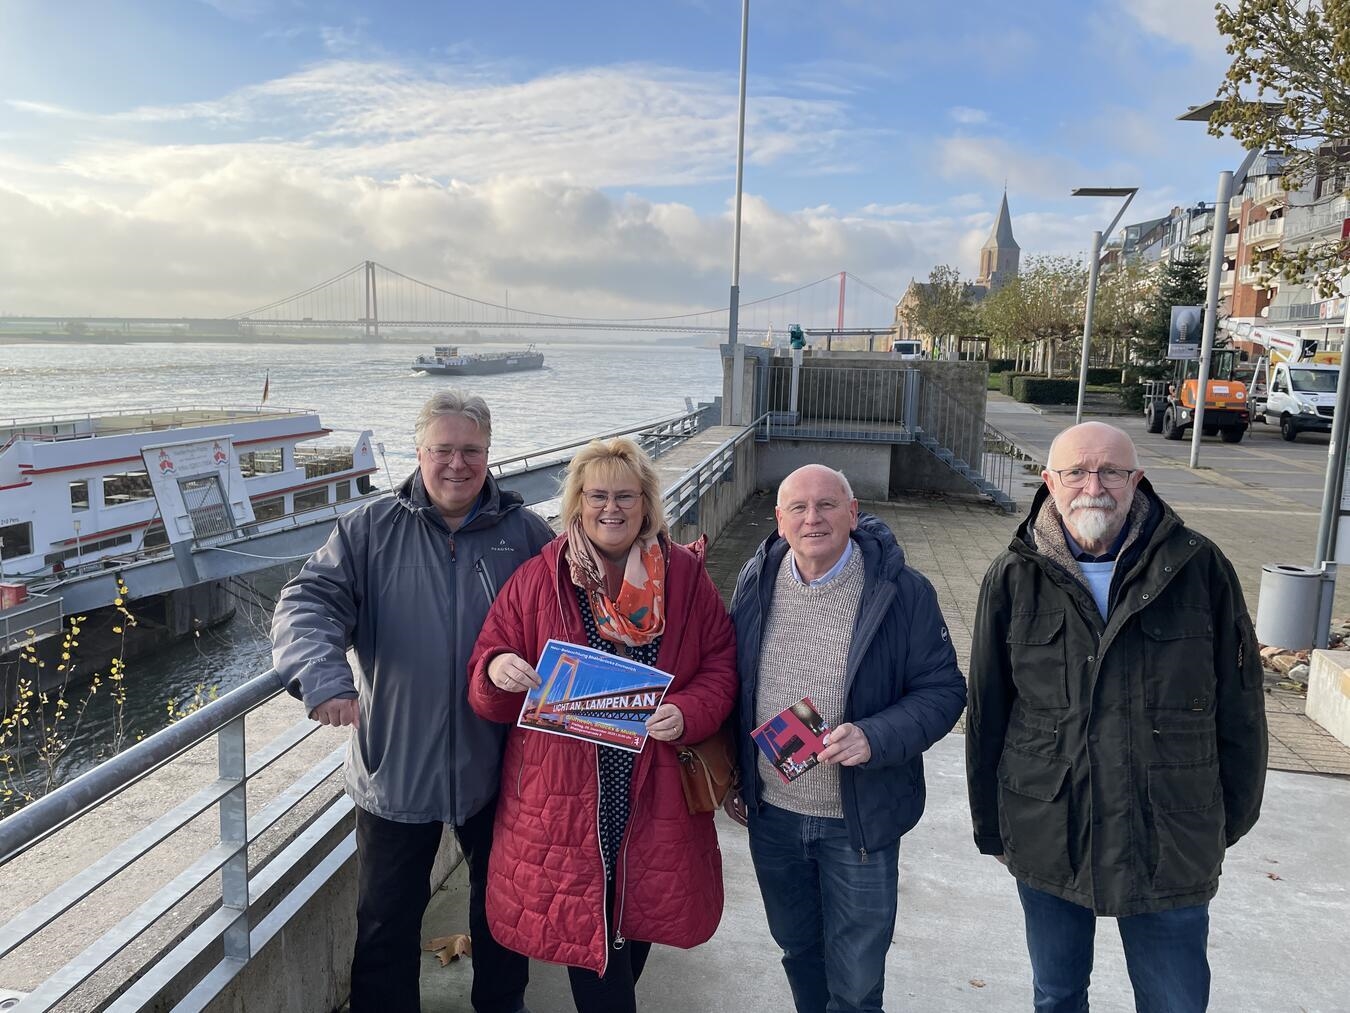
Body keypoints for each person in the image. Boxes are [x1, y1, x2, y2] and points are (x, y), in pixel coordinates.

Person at [966, 421, 1268, 1013]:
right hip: (1049, 827)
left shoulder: (1199, 568)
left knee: (1174, 1001)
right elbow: (988, 712)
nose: (1093, 485)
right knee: (1057, 996)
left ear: (1138, 481)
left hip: (1171, 832)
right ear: (1049, 482)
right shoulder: (1013, 575)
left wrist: (1228, 819)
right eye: (1076, 472)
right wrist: (991, 826)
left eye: (1111, 471)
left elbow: (1242, 707)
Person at [271, 390, 554, 1013]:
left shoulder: (527, 532)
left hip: (500, 767)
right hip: (394, 769)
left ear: (489, 454)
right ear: (419, 452)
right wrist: (323, 677)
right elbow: (306, 603)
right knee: (384, 928)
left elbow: (574, 616)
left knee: (504, 919)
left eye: (471, 450)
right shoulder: (368, 530)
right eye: (443, 449)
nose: (458, 463)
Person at [466, 436, 737, 1013]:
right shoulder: (539, 579)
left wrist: (689, 712)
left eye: (625, 496)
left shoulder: (686, 578)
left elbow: (721, 667)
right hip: (565, 801)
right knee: (592, 946)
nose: (610, 508)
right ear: (577, 505)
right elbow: (484, 681)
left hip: (654, 790)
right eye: (597, 496)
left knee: (634, 920)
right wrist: (498, 669)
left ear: (646, 503)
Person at [725, 463, 967, 1013]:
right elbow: (733, 681)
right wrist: (735, 771)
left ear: (853, 514)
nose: (814, 518)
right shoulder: (754, 580)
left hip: (857, 819)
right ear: (780, 520)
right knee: (798, 951)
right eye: (799, 508)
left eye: (828, 505)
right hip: (774, 815)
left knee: (857, 982)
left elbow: (945, 690)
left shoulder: (902, 591)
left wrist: (876, 735)